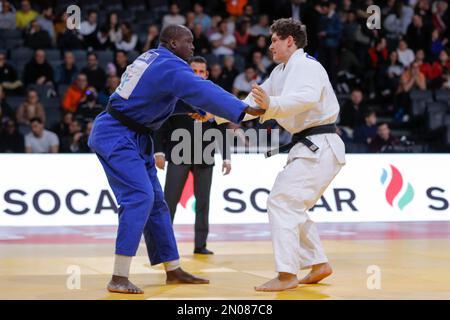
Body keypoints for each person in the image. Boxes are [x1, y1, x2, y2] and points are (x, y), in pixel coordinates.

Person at [88, 24, 263, 294]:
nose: (193, 47)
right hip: (117, 134)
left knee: (157, 203)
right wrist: (242, 109)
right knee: (139, 198)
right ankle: (118, 276)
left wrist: (194, 108)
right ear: (172, 43)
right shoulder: (170, 65)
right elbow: (203, 89)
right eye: (188, 42)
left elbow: (158, 95)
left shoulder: (153, 58)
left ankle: (173, 268)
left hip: (135, 135)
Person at [223, 18, 346, 291]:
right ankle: (318, 263)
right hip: (308, 146)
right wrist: (214, 114)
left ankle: (287, 273)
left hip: (321, 143)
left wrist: (273, 104)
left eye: (274, 40)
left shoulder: (308, 66)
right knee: (291, 205)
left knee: (281, 202)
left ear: (289, 40)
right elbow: (250, 104)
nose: (270, 46)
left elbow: (306, 98)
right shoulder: (280, 72)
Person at [154, 56, 231, 255]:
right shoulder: (176, 96)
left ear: (206, 74)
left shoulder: (214, 98)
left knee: (203, 203)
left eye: (201, 72)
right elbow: (162, 124)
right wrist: (159, 151)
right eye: (193, 71)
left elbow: (221, 128)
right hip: (179, 154)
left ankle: (200, 245)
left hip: (205, 156)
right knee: (169, 201)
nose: (197, 75)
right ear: (188, 72)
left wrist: (227, 156)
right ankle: (163, 245)